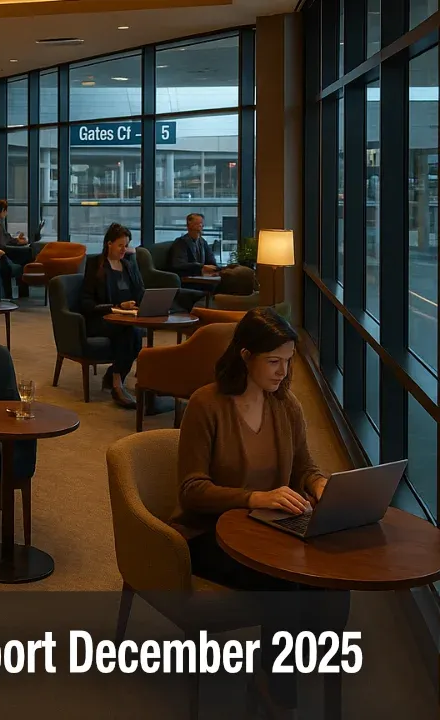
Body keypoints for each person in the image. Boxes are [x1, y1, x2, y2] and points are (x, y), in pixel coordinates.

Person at [173, 307, 349, 718]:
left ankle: (302, 670)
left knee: (333, 577)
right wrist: (254, 498)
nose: (283, 372)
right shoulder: (206, 404)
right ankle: (275, 690)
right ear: (245, 356)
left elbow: (305, 467)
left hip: (272, 528)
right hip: (210, 534)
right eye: (274, 362)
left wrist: (321, 485)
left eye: (288, 362)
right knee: (284, 583)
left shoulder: (286, 407)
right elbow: (191, 490)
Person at [80, 223, 145, 409]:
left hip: (127, 317)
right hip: (101, 319)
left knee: (136, 333)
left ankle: (113, 376)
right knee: (128, 333)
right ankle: (117, 385)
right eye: (120, 246)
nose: (124, 250)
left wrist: (142, 304)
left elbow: (140, 292)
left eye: (126, 245)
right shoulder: (96, 265)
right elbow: (86, 302)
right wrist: (116, 307)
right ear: (109, 244)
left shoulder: (128, 265)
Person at [0, 200, 33, 267]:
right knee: (28, 252)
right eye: (6, 211)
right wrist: (18, 242)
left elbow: (5, 237)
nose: (7, 213)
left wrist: (17, 240)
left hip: (0, 249)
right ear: (3, 210)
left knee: (26, 250)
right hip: (0, 252)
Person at [169, 213, 219, 278]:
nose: (200, 226)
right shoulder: (180, 242)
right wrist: (201, 267)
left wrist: (216, 268)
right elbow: (179, 264)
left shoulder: (202, 242)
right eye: (197, 224)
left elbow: (211, 260)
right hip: (188, 277)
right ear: (189, 225)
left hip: (203, 276)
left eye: (201, 223)